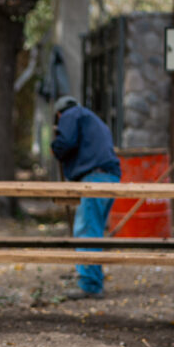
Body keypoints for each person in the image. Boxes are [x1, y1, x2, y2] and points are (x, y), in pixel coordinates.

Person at [51, 95, 122, 300]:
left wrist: (55, 147)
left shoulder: (70, 115)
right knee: (94, 230)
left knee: (86, 231)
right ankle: (91, 277)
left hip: (95, 178)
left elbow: (65, 142)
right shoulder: (93, 118)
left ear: (59, 113)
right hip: (110, 177)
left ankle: (90, 285)